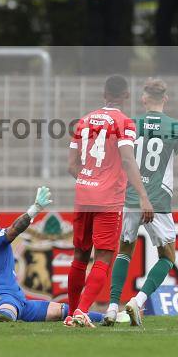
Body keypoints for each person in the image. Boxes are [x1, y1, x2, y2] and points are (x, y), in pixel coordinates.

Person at [104, 78, 178, 327]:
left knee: (124, 251)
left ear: (143, 98)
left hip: (130, 198)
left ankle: (112, 307)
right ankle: (137, 301)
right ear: (165, 99)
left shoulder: (130, 124)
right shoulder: (176, 128)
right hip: (158, 201)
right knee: (167, 256)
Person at [66, 75, 154, 328]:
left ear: (104, 94)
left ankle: (71, 313)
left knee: (80, 255)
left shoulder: (83, 121)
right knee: (103, 256)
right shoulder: (125, 123)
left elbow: (71, 165)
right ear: (126, 95)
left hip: (83, 195)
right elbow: (127, 159)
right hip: (108, 199)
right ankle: (82, 311)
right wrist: (143, 196)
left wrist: (89, 180)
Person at [0, 186, 106, 325]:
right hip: (4, 297)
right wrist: (35, 208)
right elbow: (14, 229)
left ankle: (108, 318)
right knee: (7, 314)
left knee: (62, 310)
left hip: (21, 302)